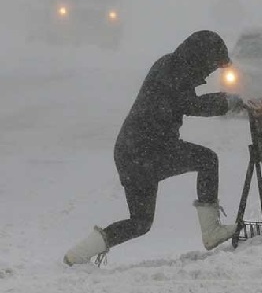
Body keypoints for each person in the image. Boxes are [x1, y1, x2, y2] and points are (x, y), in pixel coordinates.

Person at [64, 30, 244, 266]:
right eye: (212, 65)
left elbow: (184, 101)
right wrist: (227, 102)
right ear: (201, 57)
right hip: (150, 150)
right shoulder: (175, 72)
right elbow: (190, 104)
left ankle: (77, 255)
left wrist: (224, 101)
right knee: (207, 159)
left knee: (140, 223)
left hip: (131, 151)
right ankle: (211, 231)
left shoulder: (170, 65)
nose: (211, 72)